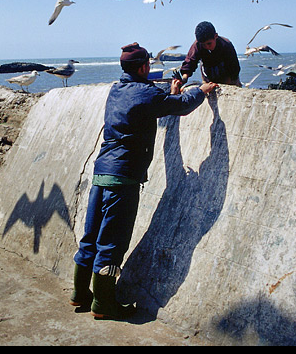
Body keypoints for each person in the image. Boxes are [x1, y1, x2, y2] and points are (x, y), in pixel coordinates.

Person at [71, 42, 218, 319]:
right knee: (111, 243)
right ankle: (103, 304)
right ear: (143, 67)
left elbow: (155, 104)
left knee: (90, 239)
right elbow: (182, 106)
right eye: (148, 64)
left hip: (101, 174)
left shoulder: (116, 90)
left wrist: (170, 93)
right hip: (123, 179)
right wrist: (201, 90)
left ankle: (80, 294)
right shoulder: (146, 94)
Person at [179, 21, 242, 87]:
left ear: (215, 36)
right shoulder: (197, 45)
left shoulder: (226, 45)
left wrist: (225, 85)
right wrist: (184, 79)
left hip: (229, 78)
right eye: (203, 44)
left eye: (209, 43)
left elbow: (234, 69)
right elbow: (189, 63)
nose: (206, 47)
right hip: (208, 78)